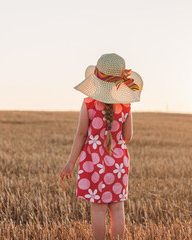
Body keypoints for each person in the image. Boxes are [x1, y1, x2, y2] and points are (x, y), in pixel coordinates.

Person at [60, 53, 143, 240]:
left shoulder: (88, 104)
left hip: (93, 162)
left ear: (97, 78)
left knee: (98, 210)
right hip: (118, 163)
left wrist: (70, 163)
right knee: (117, 208)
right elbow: (128, 136)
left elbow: (81, 134)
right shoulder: (126, 106)